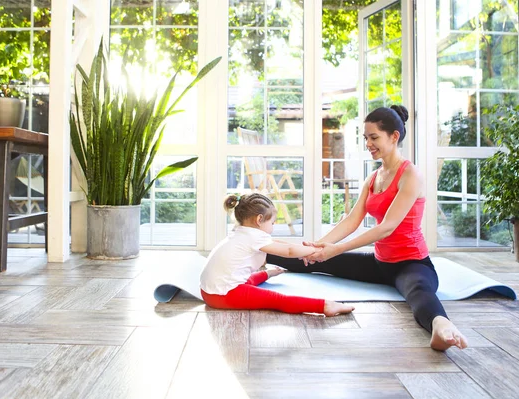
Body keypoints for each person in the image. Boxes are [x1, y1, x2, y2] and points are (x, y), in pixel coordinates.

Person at [267, 105, 468, 351]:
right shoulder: (373, 178)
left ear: (394, 137)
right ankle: (257, 251)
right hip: (379, 263)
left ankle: (442, 327)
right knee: (313, 258)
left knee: (418, 292)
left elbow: (387, 228)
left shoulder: (410, 175)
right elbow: (352, 219)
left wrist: (336, 248)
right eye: (366, 138)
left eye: (374, 138)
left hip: (411, 263)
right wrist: (320, 246)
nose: (368, 144)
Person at [200, 193, 355, 317]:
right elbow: (289, 252)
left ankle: (267, 274)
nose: (273, 227)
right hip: (223, 295)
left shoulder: (242, 231)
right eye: (272, 223)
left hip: (209, 292)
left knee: (246, 283)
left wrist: (307, 247)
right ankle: (325, 305)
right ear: (259, 219)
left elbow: (281, 244)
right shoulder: (254, 236)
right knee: (278, 300)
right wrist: (315, 251)